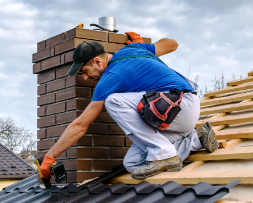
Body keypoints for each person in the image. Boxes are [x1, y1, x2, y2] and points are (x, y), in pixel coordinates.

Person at [40, 32, 219, 180]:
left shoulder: (110, 78)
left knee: (113, 101)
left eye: (84, 71)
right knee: (133, 164)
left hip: (180, 105)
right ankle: (196, 138)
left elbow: (80, 125)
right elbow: (172, 43)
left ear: (97, 61)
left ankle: (165, 154)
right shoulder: (135, 48)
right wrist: (145, 48)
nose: (85, 78)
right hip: (177, 115)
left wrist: (50, 156)